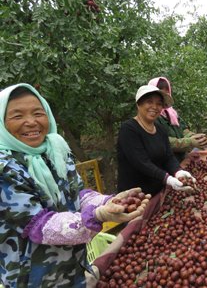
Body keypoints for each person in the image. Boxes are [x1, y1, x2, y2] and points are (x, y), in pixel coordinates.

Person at [0, 83, 150, 287]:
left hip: (72, 269)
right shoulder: (5, 169)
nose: (31, 122)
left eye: (38, 113)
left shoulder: (55, 152)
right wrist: (98, 216)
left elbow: (77, 194)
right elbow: (39, 226)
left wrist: (108, 201)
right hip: (33, 277)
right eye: (17, 116)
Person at [117, 84, 196, 195]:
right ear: (138, 104)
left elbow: (168, 157)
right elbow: (141, 162)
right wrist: (167, 178)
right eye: (149, 102)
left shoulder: (160, 129)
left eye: (159, 104)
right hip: (135, 196)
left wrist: (178, 171)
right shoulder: (129, 129)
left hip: (158, 192)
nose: (155, 107)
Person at [148, 77, 207, 162]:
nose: (165, 92)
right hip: (165, 163)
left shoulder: (172, 113)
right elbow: (163, 141)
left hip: (180, 159)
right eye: (161, 89)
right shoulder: (152, 116)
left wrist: (196, 137)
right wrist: (189, 142)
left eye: (167, 90)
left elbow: (183, 129)